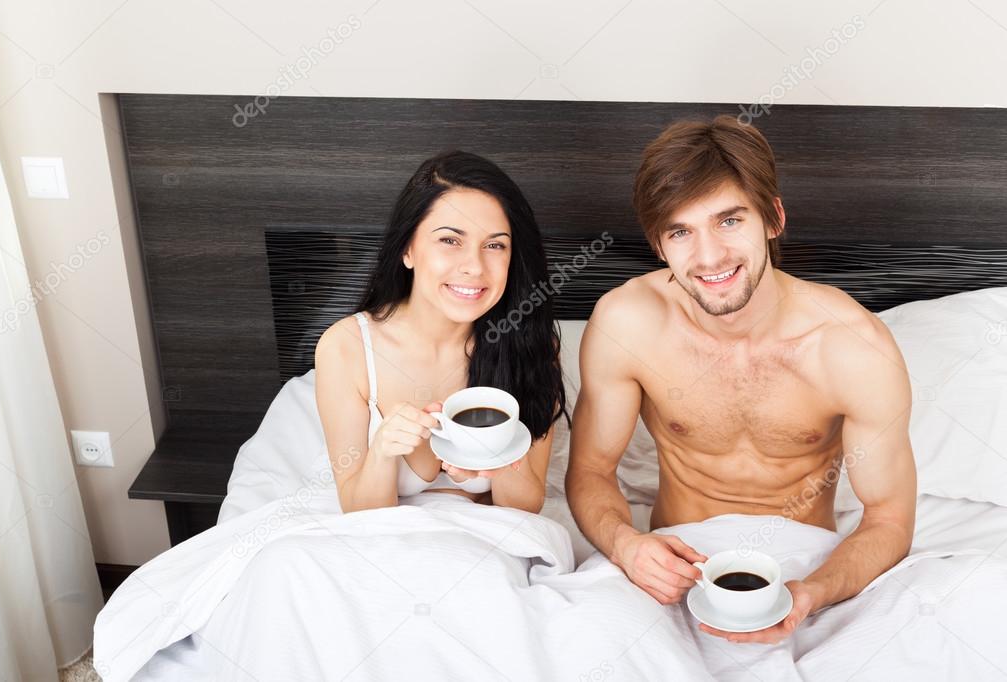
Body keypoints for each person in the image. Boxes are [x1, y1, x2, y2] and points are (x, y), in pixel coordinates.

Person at [565, 115, 917, 644]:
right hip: (676, 557)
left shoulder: (853, 348)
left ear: (773, 218)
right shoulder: (627, 323)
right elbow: (591, 468)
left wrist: (812, 594)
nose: (709, 257)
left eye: (729, 221)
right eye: (681, 232)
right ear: (658, 245)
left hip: (803, 562)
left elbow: (889, 517)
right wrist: (626, 545)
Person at [315, 150, 567, 514]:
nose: (474, 267)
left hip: (485, 547)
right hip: (382, 542)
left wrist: (499, 461)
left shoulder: (529, 344)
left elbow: (526, 507)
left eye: (495, 245)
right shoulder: (346, 348)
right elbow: (358, 511)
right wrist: (383, 452)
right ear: (407, 249)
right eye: (450, 240)